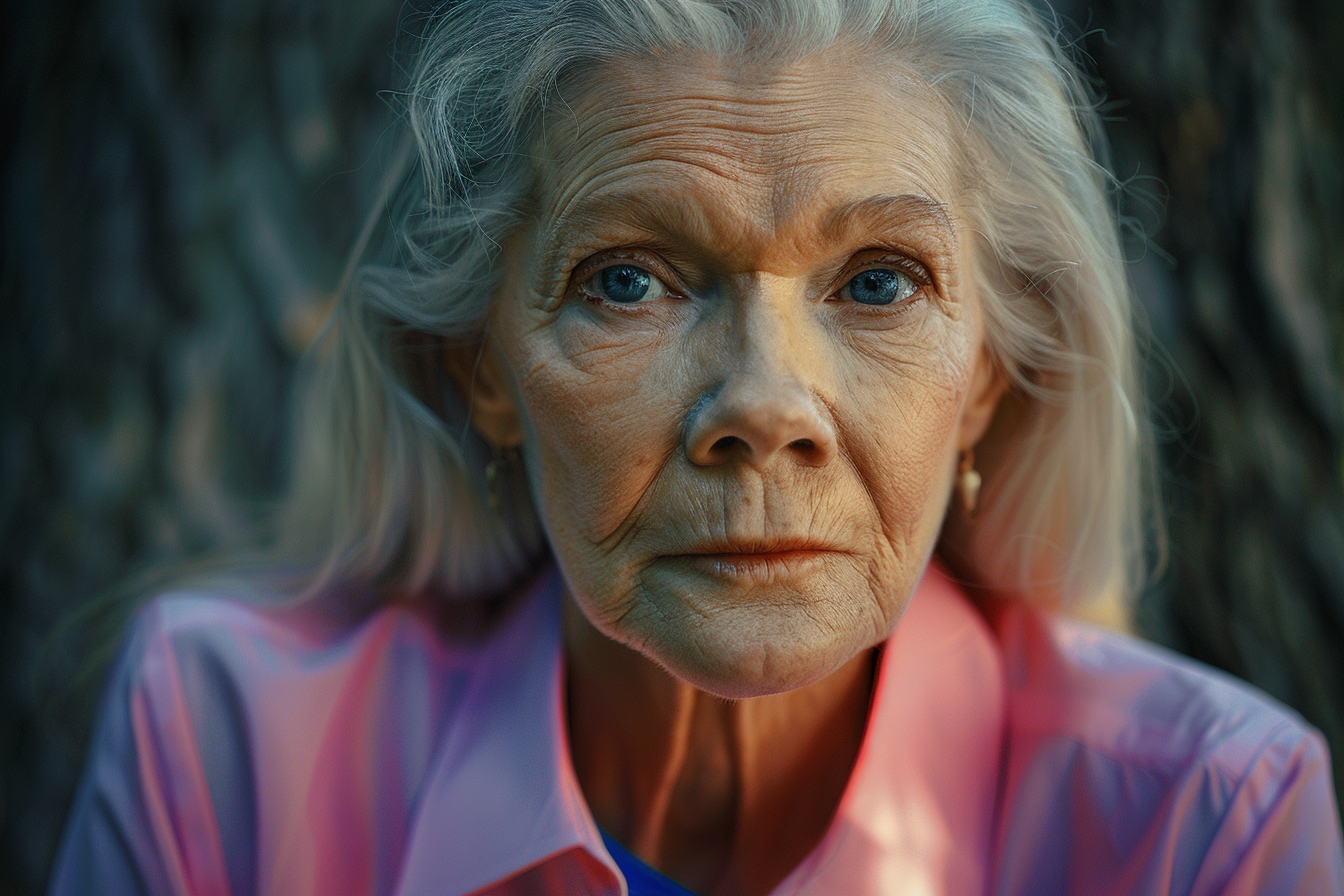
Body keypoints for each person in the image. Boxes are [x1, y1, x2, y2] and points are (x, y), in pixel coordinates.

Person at [48, 0, 1344, 894]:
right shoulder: (223, 757)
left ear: (989, 382)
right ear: (481, 367)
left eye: (880, 281)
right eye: (628, 282)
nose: (764, 404)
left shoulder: (1205, 828)